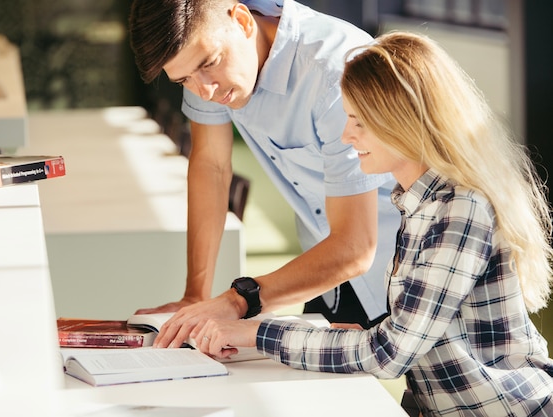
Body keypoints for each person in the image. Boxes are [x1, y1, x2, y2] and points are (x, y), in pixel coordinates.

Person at [192, 31, 553, 416]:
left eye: (359, 122)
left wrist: (257, 333)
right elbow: (409, 334)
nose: (347, 136)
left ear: (405, 122)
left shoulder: (460, 210)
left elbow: (389, 354)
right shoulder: (416, 203)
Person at [128, 0, 401, 343]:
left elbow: (357, 247)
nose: (205, 90)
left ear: (242, 21)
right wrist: (195, 294)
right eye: (184, 80)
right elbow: (210, 166)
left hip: (412, 267)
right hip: (328, 267)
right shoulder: (206, 64)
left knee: (426, 393)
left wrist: (238, 300)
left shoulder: (335, 71)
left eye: (210, 64)